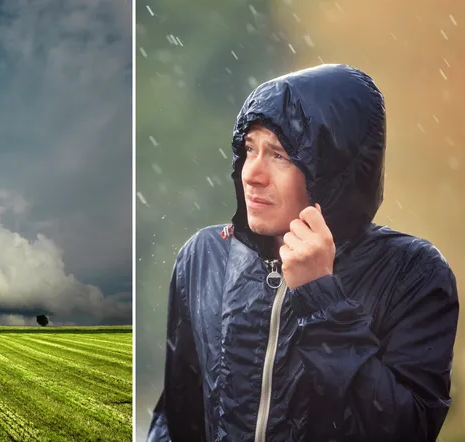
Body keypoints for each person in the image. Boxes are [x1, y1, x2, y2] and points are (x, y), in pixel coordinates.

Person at [146, 64, 459, 442]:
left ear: (332, 169)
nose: (251, 173)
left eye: (279, 154)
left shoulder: (412, 272)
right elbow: (178, 420)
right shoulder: (206, 255)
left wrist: (320, 297)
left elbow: (404, 430)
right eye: (249, 149)